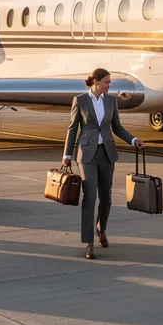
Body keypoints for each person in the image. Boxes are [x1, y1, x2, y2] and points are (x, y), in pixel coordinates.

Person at [63, 68, 143, 260]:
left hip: (107, 153)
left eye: (109, 82)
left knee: (106, 197)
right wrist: (67, 154)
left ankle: (102, 229)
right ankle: (89, 242)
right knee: (89, 197)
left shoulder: (111, 101)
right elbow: (73, 128)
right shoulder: (80, 100)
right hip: (87, 154)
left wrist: (133, 140)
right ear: (96, 82)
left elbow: (117, 127)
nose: (109, 85)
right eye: (106, 82)